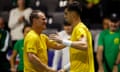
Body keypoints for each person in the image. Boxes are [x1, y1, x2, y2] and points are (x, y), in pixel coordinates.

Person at [49, 1, 94, 72]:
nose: (64, 16)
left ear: (73, 14)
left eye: (66, 14)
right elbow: (59, 46)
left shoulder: (80, 29)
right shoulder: (76, 30)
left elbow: (84, 45)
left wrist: (62, 40)